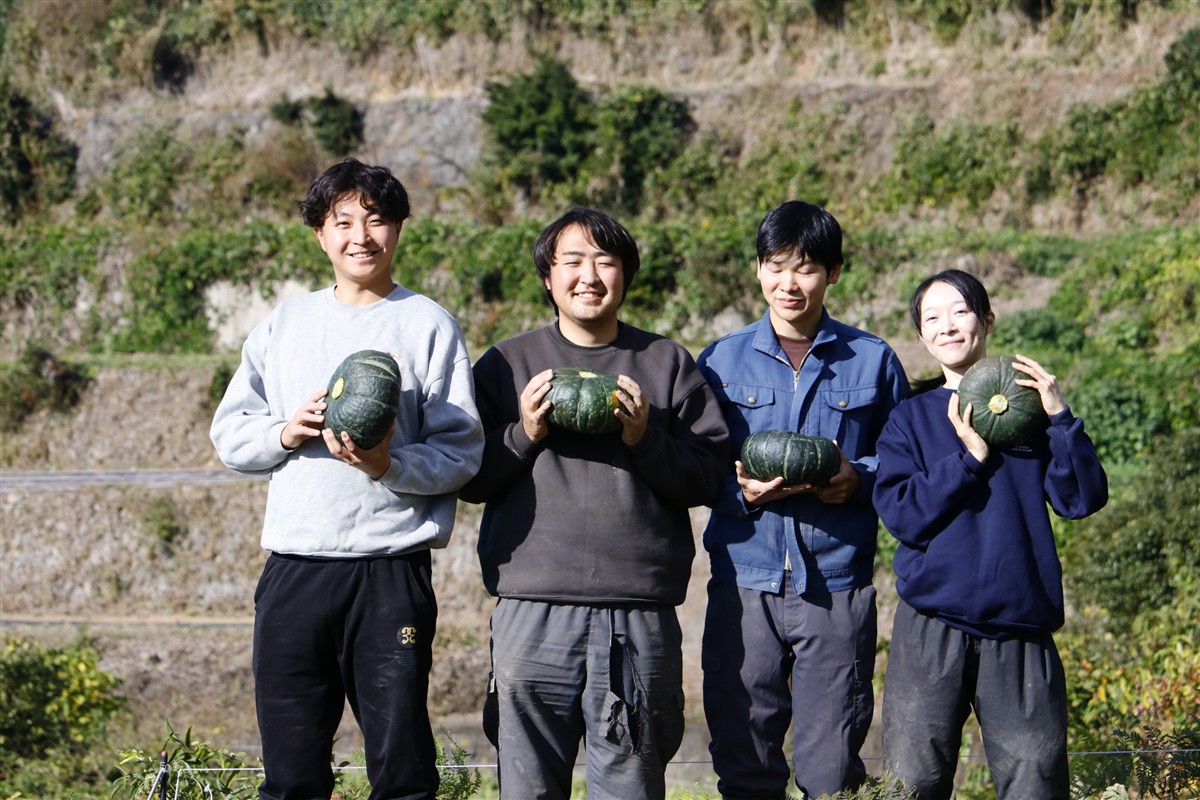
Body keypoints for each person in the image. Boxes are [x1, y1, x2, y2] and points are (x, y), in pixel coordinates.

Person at [209, 158, 484, 800]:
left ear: (398, 231)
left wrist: (389, 465)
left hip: (390, 570)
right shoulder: (285, 325)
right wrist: (286, 430)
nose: (361, 235)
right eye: (344, 222)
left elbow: (461, 450)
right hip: (295, 569)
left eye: (377, 220)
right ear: (320, 235)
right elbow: (231, 435)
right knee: (292, 768)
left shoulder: (428, 325)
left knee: (402, 768)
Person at [459, 207, 729, 800]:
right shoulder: (506, 365)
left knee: (632, 786)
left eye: (605, 261)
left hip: (638, 615)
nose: (590, 275)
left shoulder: (666, 364)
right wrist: (523, 432)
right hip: (531, 611)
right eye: (573, 261)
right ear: (548, 277)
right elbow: (468, 477)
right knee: (528, 788)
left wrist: (645, 439)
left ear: (626, 275)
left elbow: (708, 477)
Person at [696, 200, 909, 799]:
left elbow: (901, 461)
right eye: (776, 265)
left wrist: (857, 481)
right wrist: (735, 491)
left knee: (832, 772)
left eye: (807, 267)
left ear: (834, 273)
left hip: (836, 586)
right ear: (759, 269)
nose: (790, 282)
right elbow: (691, 463)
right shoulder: (719, 361)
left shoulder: (873, 359)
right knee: (744, 763)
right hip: (744, 582)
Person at [873, 269, 1108, 800]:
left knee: (1035, 784)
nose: (947, 326)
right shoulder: (909, 420)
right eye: (931, 318)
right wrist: (969, 461)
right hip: (931, 627)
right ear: (921, 336)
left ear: (987, 320)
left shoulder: (1032, 415)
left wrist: (1061, 418)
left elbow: (1082, 499)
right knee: (912, 784)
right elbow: (902, 514)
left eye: (959, 311)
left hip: (1021, 629)